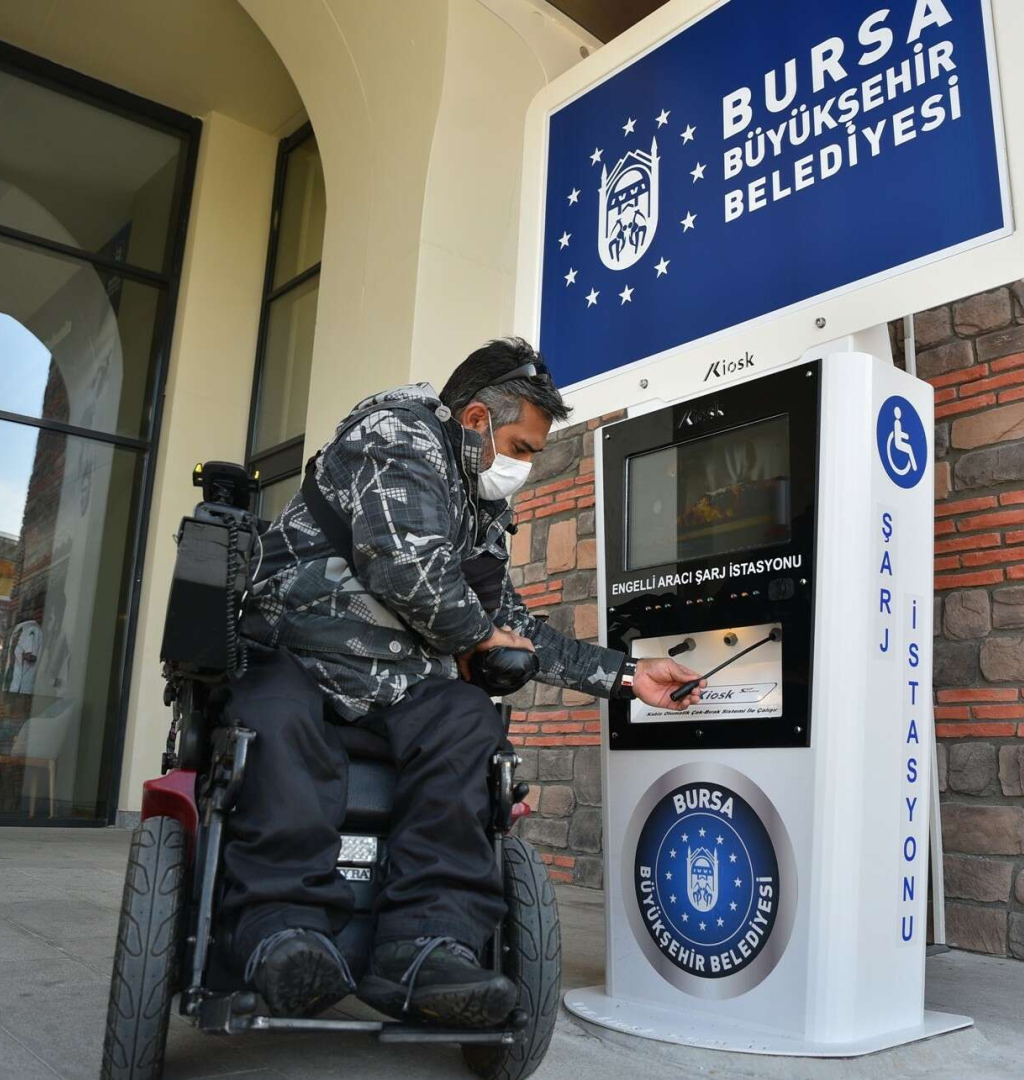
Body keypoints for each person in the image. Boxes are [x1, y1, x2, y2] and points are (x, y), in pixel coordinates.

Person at [222, 338, 705, 1025]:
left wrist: (628, 675)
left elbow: (514, 627)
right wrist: (480, 638)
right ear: (476, 419)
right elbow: (406, 567)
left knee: (466, 721)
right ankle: (281, 932)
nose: (524, 468)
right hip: (299, 651)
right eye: (522, 447)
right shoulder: (395, 435)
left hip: (399, 681)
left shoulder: (480, 509)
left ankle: (426, 945)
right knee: (277, 719)